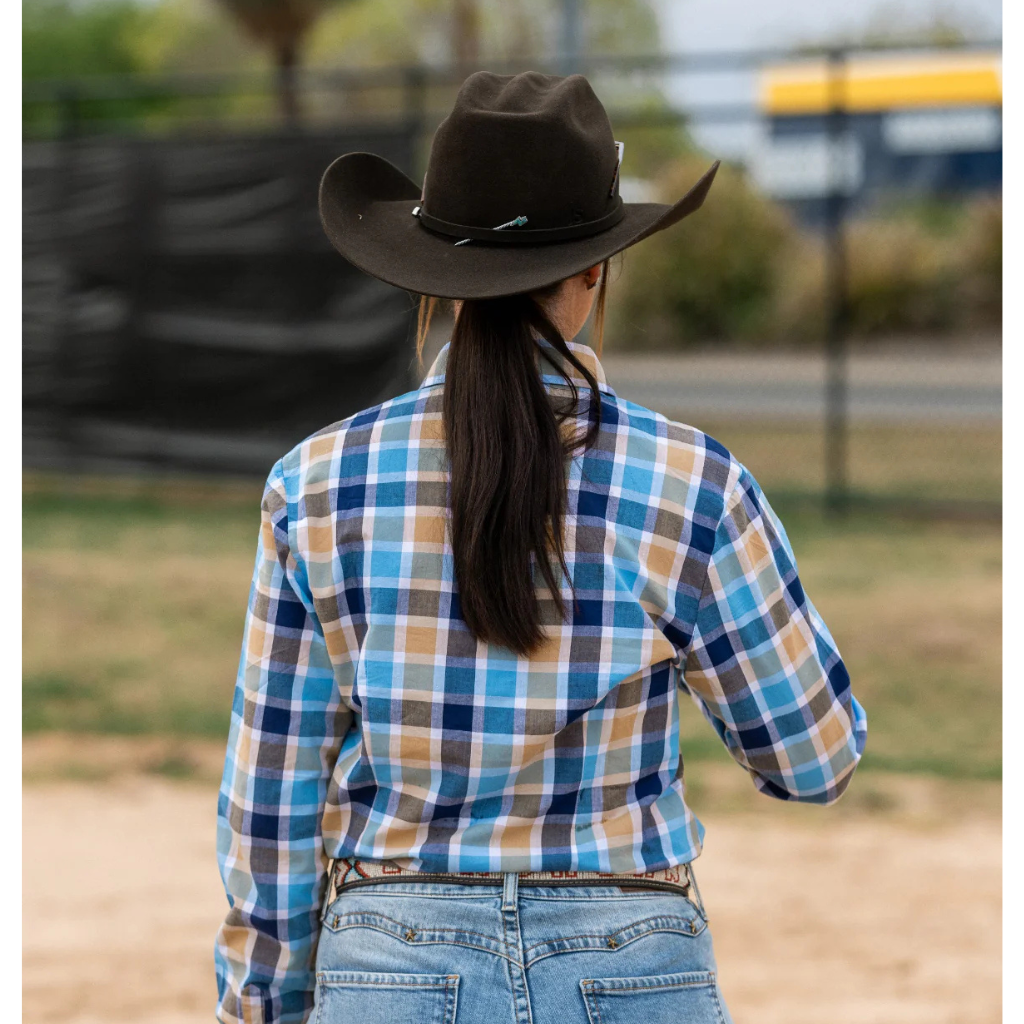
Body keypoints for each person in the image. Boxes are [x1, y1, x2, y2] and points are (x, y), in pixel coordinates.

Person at [215, 71, 867, 1024]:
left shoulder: (311, 486)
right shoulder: (695, 482)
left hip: (386, 964)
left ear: (428, 269)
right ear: (597, 269)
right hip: (632, 959)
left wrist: (262, 1003)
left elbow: (270, 792)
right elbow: (812, 760)